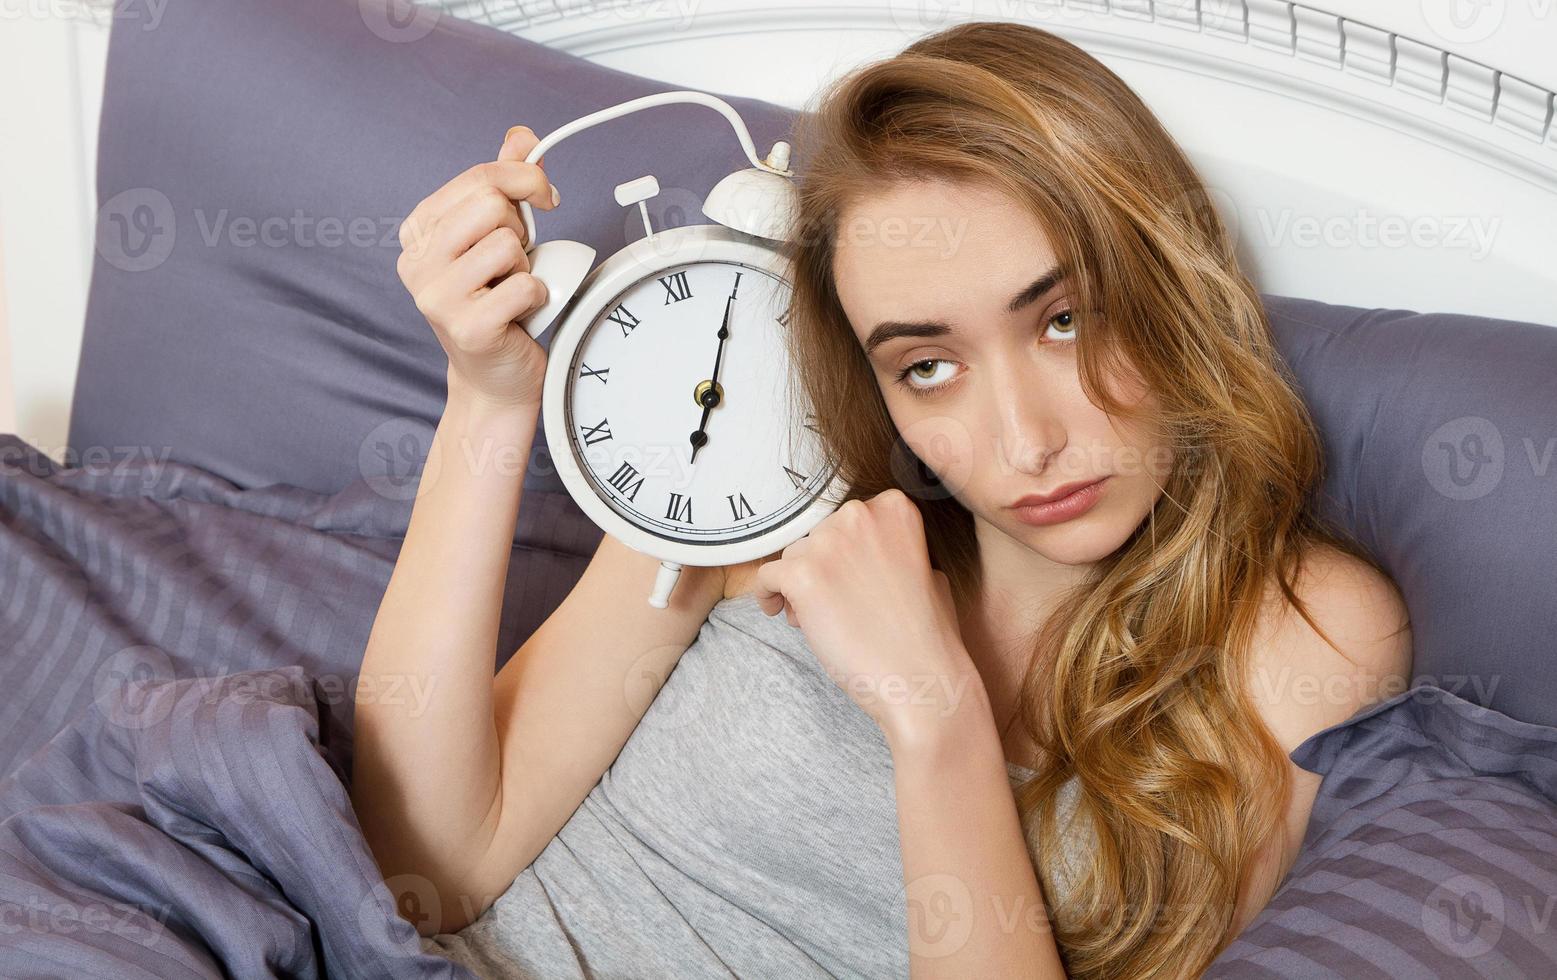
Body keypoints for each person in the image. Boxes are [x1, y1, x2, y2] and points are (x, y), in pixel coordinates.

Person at [352, 20, 1412, 979]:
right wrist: (488, 404)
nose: (1026, 440)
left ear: (1164, 282)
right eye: (927, 365)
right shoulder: (767, 478)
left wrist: (932, 710)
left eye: (1065, 320)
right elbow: (429, 867)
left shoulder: (1302, 631)